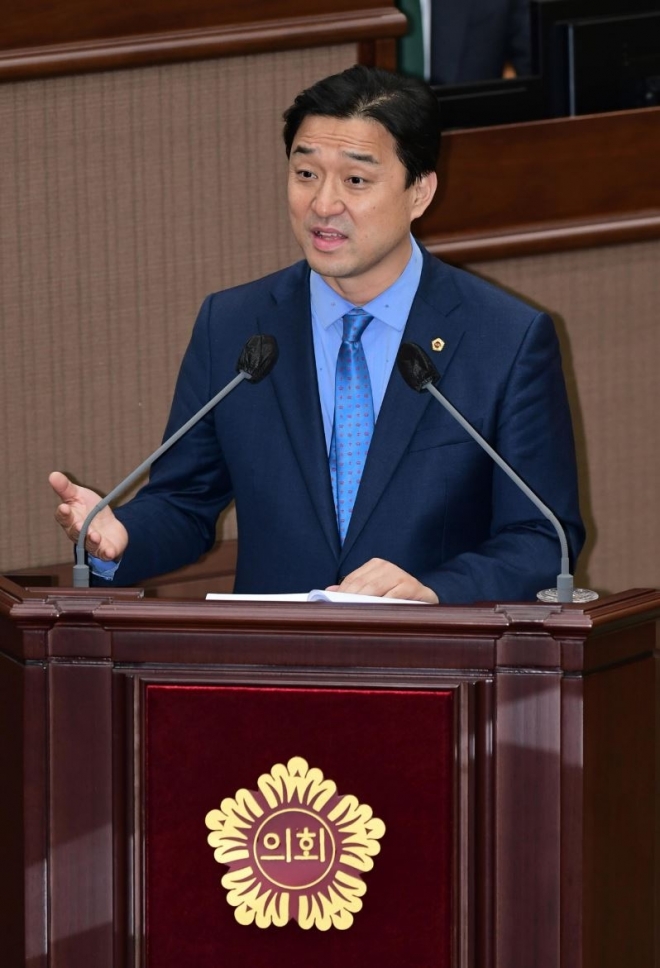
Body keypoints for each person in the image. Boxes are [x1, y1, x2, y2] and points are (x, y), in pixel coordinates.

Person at [50, 64, 584, 604]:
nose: (324, 205)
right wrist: (119, 537)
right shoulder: (235, 326)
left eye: (356, 180)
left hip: (434, 653)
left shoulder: (505, 339)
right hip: (275, 653)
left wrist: (434, 591)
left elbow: (542, 539)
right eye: (306, 174)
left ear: (419, 192)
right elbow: (184, 501)